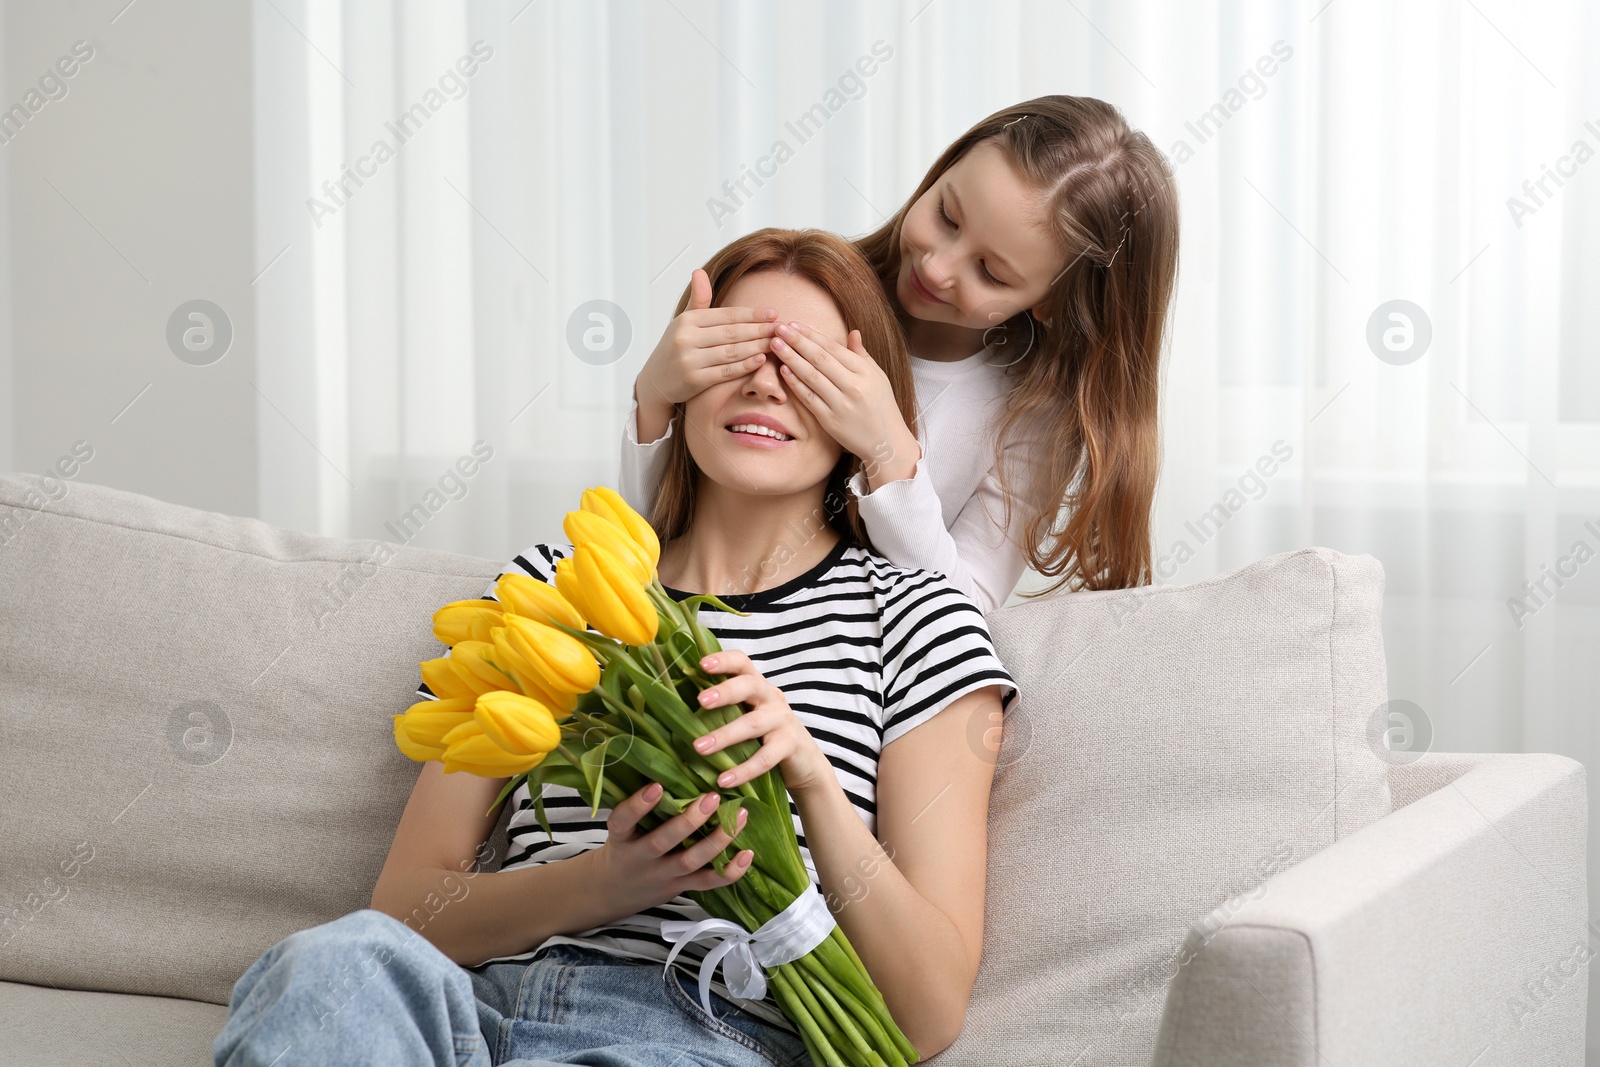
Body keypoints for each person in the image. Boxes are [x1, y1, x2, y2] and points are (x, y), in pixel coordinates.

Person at [212, 229, 1020, 1067]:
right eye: (731, 346)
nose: (763, 381)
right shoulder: (557, 590)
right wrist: (605, 882)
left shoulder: (918, 619)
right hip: (474, 1012)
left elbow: (928, 1011)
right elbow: (406, 905)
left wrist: (809, 782)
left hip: (703, 1031)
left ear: (868, 404)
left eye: (808, 363)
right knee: (330, 967)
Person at [623, 94, 1180, 614]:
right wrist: (655, 399)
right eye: (947, 216)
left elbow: (962, 613)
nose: (937, 267)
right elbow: (665, 529)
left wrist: (887, 451)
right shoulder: (817, 289)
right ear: (940, 172)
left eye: (990, 272)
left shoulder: (1030, 419)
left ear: (1053, 302)